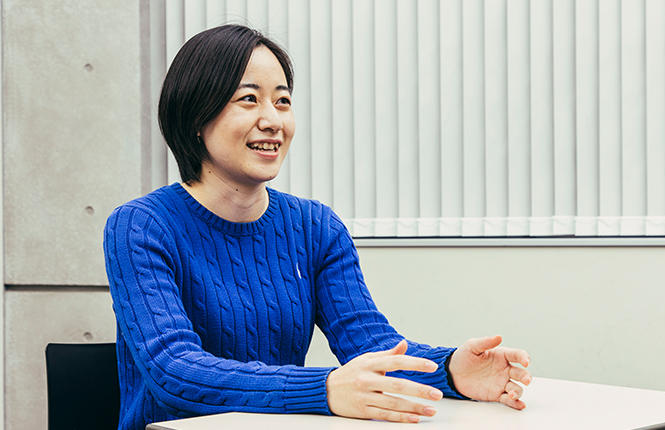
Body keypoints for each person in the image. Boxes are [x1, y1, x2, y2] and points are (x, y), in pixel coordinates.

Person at [103, 24, 531, 430]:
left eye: (282, 101)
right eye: (249, 99)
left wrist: (451, 370)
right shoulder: (141, 226)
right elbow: (174, 369)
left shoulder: (314, 227)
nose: (273, 121)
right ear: (196, 116)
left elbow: (369, 343)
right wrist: (325, 388)